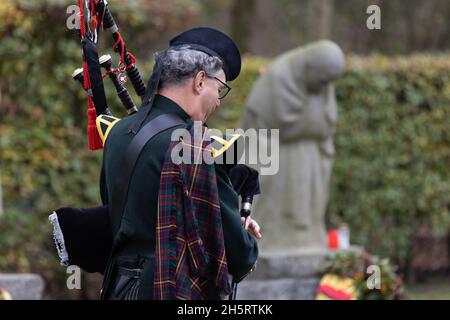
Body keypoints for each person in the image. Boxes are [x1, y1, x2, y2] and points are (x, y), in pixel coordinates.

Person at [98, 27, 261, 300]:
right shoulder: (196, 146)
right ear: (199, 81)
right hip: (172, 288)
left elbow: (115, 210)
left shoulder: (117, 132)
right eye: (219, 89)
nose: (218, 103)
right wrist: (245, 239)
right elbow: (237, 253)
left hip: (117, 286)